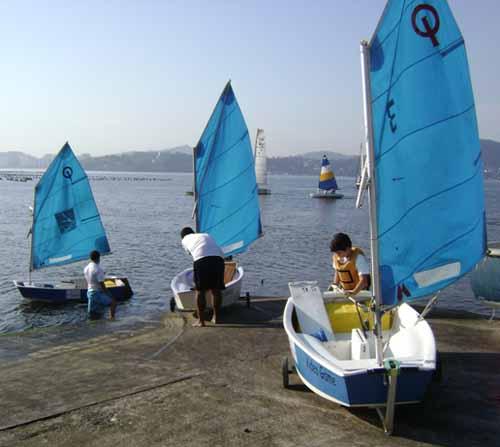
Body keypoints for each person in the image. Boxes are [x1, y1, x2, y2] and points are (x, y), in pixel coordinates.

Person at [180, 226, 225, 327]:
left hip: (201, 259)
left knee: (200, 291)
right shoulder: (205, 234)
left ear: (183, 236)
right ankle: (216, 318)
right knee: (216, 290)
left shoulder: (184, 240)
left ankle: (201, 321)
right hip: (219, 259)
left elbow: (192, 254)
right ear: (193, 232)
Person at [84, 250, 116, 320]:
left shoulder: (86, 268)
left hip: (89, 293)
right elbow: (102, 284)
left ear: (90, 258)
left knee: (93, 314)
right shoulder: (98, 269)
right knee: (113, 303)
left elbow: (91, 279)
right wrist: (109, 294)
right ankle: (112, 319)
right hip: (96, 293)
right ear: (99, 258)